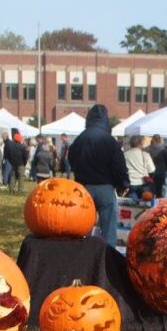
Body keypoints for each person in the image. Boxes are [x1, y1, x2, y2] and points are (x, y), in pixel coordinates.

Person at [68, 103, 129, 247]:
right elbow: (119, 165)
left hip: (84, 188)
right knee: (108, 229)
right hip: (105, 188)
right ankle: (108, 259)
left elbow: (71, 159)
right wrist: (123, 183)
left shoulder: (80, 139)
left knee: (83, 227)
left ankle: (82, 255)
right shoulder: (110, 141)